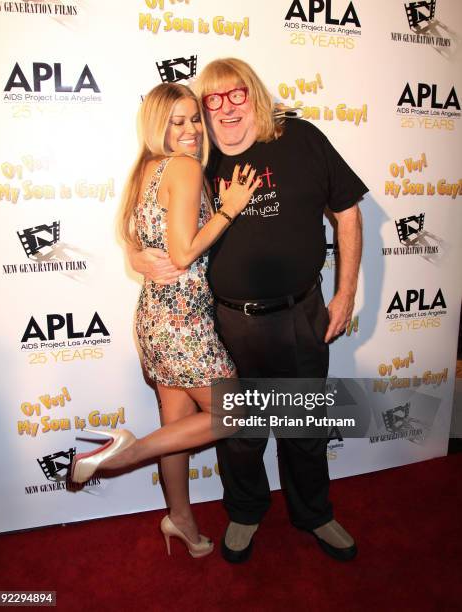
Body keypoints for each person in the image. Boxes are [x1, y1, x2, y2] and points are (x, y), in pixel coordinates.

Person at [130, 58, 368, 564]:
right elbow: (158, 224)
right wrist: (135, 255)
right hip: (227, 323)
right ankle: (244, 512)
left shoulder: (300, 138)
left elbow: (347, 209)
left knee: (305, 424)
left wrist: (345, 293)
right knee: (239, 432)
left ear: (253, 93)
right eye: (211, 102)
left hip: (300, 315)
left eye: (234, 94)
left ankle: (315, 513)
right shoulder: (199, 155)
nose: (223, 109)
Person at [70, 82, 261, 558]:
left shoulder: (146, 170)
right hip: (182, 320)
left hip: (156, 316)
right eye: (177, 122)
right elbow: (183, 251)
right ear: (159, 125)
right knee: (233, 412)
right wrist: (230, 210)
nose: (192, 129)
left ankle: (180, 521)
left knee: (175, 422)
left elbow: (139, 243)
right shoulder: (183, 167)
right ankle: (129, 452)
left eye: (195, 118)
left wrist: (136, 255)